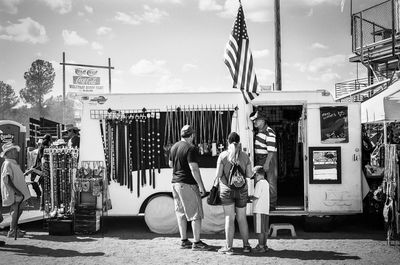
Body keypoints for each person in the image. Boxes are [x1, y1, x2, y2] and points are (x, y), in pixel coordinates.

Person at [168, 125, 210, 251]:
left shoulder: (174, 146)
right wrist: (202, 187)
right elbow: (194, 169)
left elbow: (170, 164)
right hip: (187, 183)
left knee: (180, 213)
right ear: (192, 135)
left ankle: (184, 241)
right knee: (195, 214)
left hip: (175, 183)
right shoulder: (190, 148)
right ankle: (196, 243)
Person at [216, 132, 252, 255]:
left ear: (227, 141)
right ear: (239, 141)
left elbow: (218, 175)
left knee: (229, 218)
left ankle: (229, 247)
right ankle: (246, 245)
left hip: (226, 191)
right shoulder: (245, 156)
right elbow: (249, 174)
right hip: (242, 190)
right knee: (242, 218)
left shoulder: (223, 155)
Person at [1, 142, 31, 238]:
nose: (16, 153)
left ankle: (14, 228)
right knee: (17, 210)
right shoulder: (8, 163)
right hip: (15, 192)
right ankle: (12, 230)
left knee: (19, 209)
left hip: (17, 192)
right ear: (9, 153)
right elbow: (7, 179)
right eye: (14, 151)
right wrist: (16, 190)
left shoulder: (11, 163)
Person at [250, 110, 278, 210]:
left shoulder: (269, 132)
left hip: (267, 159)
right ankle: (264, 202)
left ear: (262, 120)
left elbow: (271, 151)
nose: (254, 122)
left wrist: (266, 163)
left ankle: (271, 205)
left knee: (271, 182)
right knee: (262, 181)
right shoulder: (261, 132)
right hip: (261, 158)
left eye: (256, 120)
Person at [249, 166, 270, 253]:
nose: (254, 178)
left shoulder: (259, 183)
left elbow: (256, 196)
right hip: (265, 210)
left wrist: (248, 198)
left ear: (257, 174)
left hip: (258, 210)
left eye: (254, 176)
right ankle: (264, 245)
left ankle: (260, 246)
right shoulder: (266, 182)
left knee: (259, 230)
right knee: (264, 230)